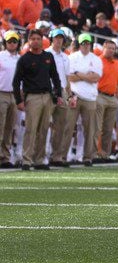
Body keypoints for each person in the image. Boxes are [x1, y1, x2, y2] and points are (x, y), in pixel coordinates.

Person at [12, 30, 62, 170]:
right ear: (28, 41)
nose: (35, 41)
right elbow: (16, 82)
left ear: (42, 40)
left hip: (47, 96)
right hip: (32, 97)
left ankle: (39, 160)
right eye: (32, 39)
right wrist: (19, 101)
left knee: (44, 129)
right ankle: (27, 160)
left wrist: (58, 94)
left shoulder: (48, 56)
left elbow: (55, 76)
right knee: (30, 129)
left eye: (38, 38)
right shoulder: (24, 59)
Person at [65, 33, 103, 166]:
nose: (85, 45)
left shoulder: (97, 59)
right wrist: (87, 76)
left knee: (89, 129)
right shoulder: (72, 57)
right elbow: (69, 77)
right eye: (83, 43)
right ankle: (63, 155)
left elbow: (96, 78)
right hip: (74, 95)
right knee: (68, 127)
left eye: (88, 43)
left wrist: (78, 74)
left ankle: (87, 157)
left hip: (90, 97)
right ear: (79, 45)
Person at [47, 28, 73, 167]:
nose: (59, 40)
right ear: (51, 38)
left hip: (62, 90)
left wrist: (69, 95)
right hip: (48, 90)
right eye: (56, 37)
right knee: (43, 124)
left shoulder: (65, 57)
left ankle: (56, 156)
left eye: (61, 38)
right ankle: (38, 155)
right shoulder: (46, 54)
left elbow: (67, 79)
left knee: (60, 126)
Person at [95, 39, 118, 161]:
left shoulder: (117, 63)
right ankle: (95, 152)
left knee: (108, 128)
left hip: (112, 97)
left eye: (113, 48)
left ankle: (105, 154)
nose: (111, 50)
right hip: (99, 95)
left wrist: (117, 96)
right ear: (103, 48)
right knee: (97, 126)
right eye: (109, 48)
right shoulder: (97, 61)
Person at [0, 31, 20, 168]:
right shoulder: (1, 56)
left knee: (10, 127)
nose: (12, 43)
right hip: (1, 93)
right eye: (9, 41)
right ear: (5, 43)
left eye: (14, 41)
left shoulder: (20, 58)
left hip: (15, 95)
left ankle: (5, 157)